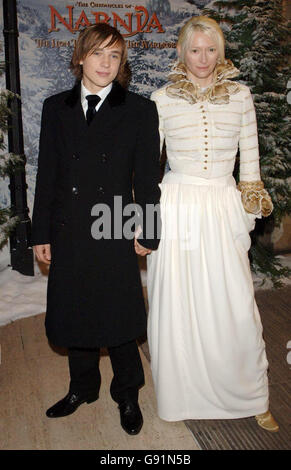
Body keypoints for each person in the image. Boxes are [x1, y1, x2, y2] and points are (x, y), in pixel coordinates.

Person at [147, 16, 279, 432]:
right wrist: (142, 218)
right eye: (194, 50)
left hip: (222, 205)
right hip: (178, 204)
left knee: (235, 302)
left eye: (210, 49)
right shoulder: (162, 98)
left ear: (220, 51)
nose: (202, 58)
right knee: (178, 304)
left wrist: (249, 197)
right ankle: (181, 395)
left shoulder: (240, 96)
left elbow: (251, 155)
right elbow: (149, 164)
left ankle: (252, 395)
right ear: (182, 52)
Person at [31, 23, 160, 435]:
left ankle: (128, 393)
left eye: (115, 56)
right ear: (81, 56)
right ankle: (82, 387)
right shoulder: (56, 108)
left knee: (119, 315)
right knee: (76, 312)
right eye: (99, 53)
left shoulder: (139, 110)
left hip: (115, 226)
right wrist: (40, 232)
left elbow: (147, 180)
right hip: (68, 227)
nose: (106, 63)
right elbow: (46, 174)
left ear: (121, 64)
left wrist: (149, 229)